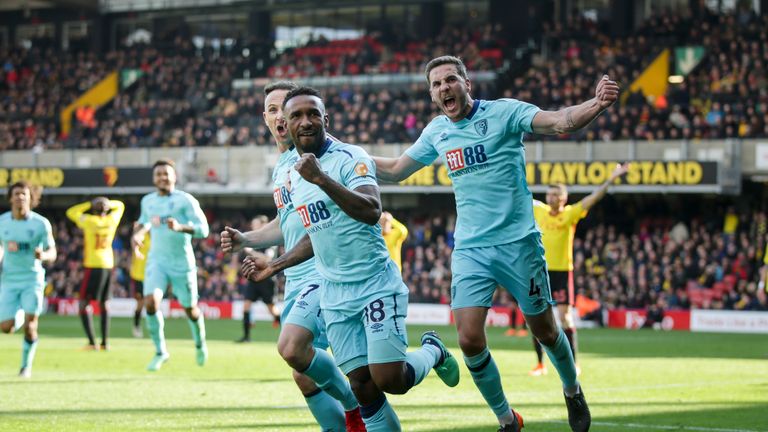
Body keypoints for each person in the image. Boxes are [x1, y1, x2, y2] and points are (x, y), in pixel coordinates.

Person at [372, 55, 619, 432]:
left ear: (466, 84)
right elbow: (394, 170)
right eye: (436, 84)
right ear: (432, 94)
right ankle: (507, 419)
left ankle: (572, 389)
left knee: (547, 331)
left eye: (450, 80)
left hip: (519, 244)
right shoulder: (437, 131)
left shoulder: (505, 113)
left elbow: (560, 121)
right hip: (472, 249)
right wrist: (344, 158)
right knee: (469, 339)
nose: (444, 88)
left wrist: (597, 104)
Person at [242, 86, 460, 432]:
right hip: (335, 293)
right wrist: (275, 265)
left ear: (326, 119)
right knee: (361, 385)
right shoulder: (294, 175)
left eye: (313, 113)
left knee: (390, 379)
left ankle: (432, 351)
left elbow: (372, 210)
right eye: (296, 115)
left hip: (374, 283)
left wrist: (322, 180)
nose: (305, 121)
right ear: (286, 122)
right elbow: (316, 234)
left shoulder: (349, 158)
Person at [221, 81, 365, 431]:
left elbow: (326, 221)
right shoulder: (282, 166)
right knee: (303, 373)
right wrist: (246, 239)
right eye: (272, 109)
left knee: (296, 350)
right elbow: (285, 222)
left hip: (324, 270)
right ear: (268, 118)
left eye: (284, 108)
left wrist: (273, 264)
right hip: (296, 277)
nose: (279, 116)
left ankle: (354, 408)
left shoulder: (319, 160)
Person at [529, 163, 629, 377]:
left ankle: (573, 363)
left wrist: (612, 178)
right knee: (536, 317)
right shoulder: (539, 210)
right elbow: (519, 193)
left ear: (564, 198)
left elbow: (593, 198)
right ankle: (540, 364)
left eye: (556, 195)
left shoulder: (571, 213)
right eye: (549, 194)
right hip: (541, 271)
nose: (551, 198)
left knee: (566, 318)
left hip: (563, 272)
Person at [131, 158, 210, 372]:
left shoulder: (186, 201)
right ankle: (160, 352)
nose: (162, 178)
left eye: (166, 173)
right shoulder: (148, 201)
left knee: (190, 309)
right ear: (154, 179)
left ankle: (199, 342)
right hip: (157, 261)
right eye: (158, 174)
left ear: (174, 176)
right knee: (150, 302)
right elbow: (144, 222)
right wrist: (137, 235)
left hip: (182, 263)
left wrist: (181, 227)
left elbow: (204, 230)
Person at [0, 182, 57, 378]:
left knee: (31, 326)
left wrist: (44, 256)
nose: (20, 197)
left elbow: (53, 251)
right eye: (16, 194)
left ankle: (26, 366)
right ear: (10, 198)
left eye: (24, 194)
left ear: (30, 198)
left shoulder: (41, 224)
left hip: (32, 279)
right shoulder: (2, 222)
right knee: (6, 328)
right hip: (9, 280)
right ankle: (19, 315)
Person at [66, 197, 125, 351]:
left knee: (83, 303)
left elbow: (71, 212)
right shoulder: (112, 220)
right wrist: (107, 204)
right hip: (108, 264)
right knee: (104, 303)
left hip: (93, 264)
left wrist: (90, 204)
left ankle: (92, 343)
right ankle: (105, 343)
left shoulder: (89, 221)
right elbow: (120, 205)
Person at [236, 215, 280, 343]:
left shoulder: (270, 241)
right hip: (254, 278)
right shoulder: (254, 242)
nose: (252, 227)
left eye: (255, 224)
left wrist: (250, 252)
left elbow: (267, 259)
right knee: (246, 306)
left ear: (262, 225)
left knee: (272, 309)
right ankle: (246, 337)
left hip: (267, 279)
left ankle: (287, 330)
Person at [129, 227, 150, 338]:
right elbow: (134, 240)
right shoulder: (143, 235)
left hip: (151, 275)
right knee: (140, 303)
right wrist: (136, 250)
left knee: (151, 301)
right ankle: (136, 326)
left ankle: (152, 326)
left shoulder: (156, 237)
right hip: (138, 275)